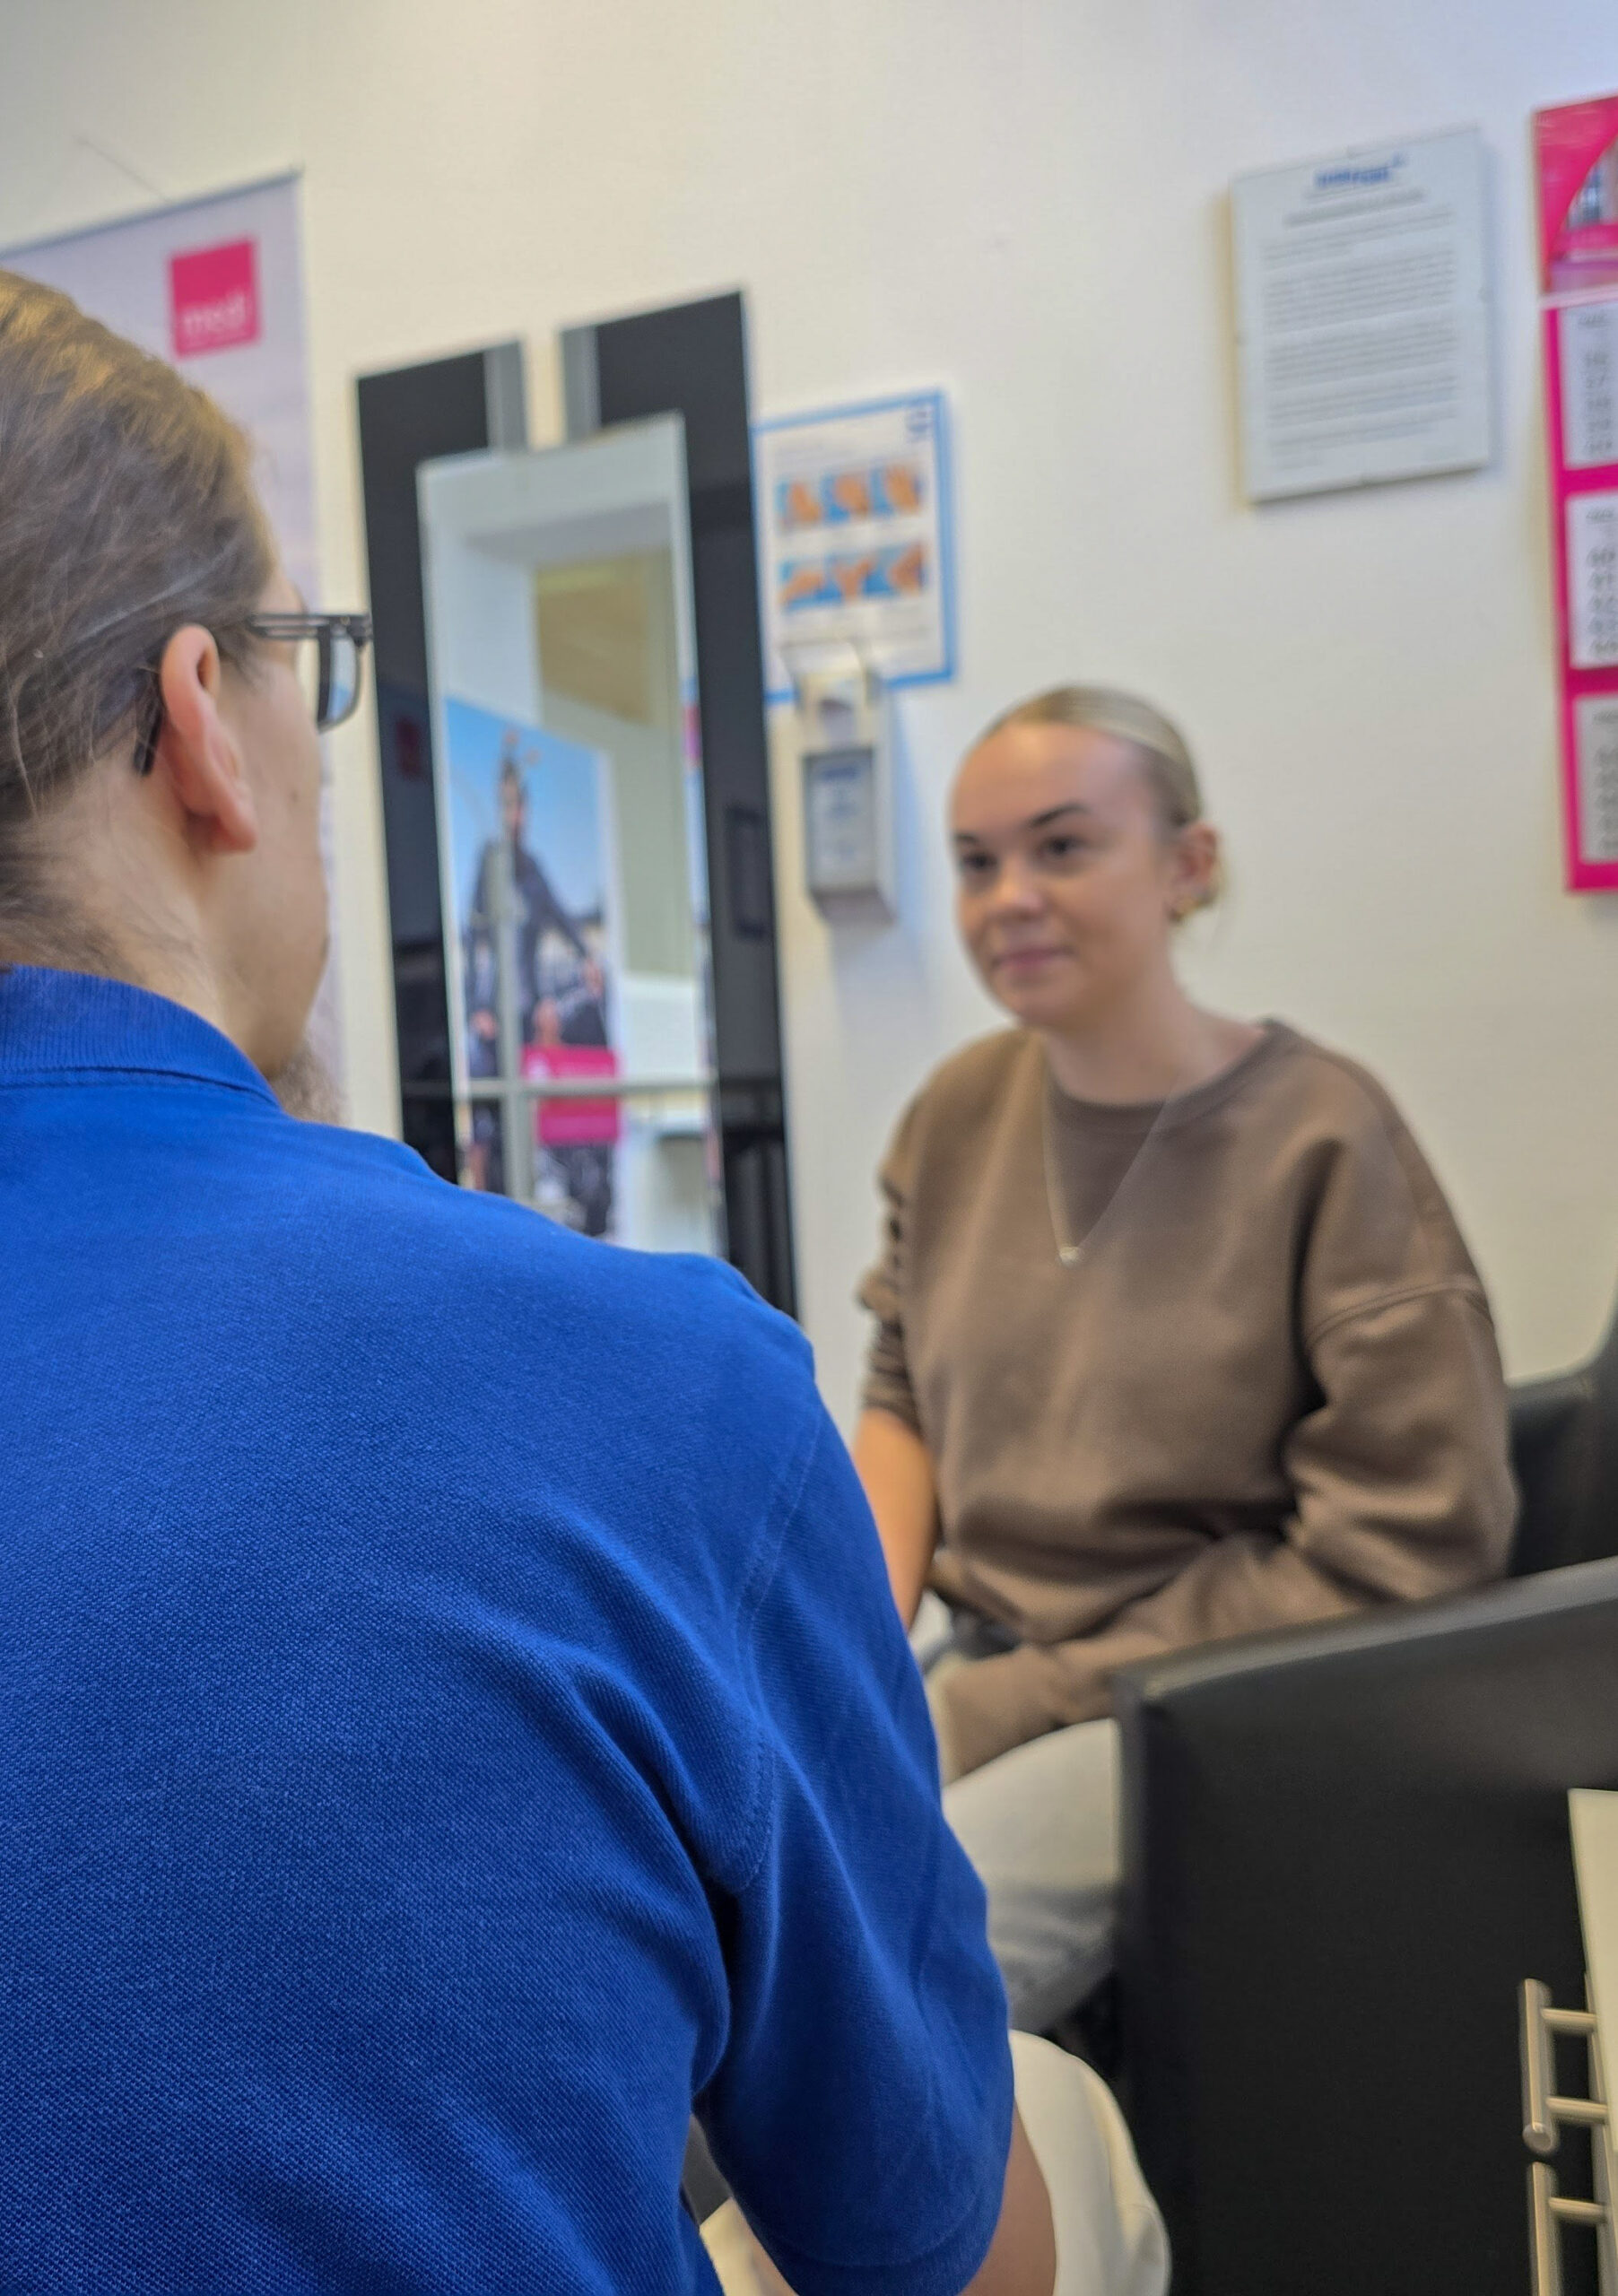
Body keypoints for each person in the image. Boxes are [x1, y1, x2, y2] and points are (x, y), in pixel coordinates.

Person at [0, 278, 1166, 2295]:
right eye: (309, 669)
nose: (1010, 902)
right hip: (953, 1701)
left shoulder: (1294, 1132)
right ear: (204, 719)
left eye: (1058, 846)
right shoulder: (666, 1364)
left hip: (1087, 1670)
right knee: (1046, 2131)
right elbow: (946, 2257)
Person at [854, 685, 1515, 2032]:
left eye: (1062, 846)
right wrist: (846, 1666)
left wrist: (1009, 1705)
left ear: (1188, 866)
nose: (1009, 898)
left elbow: (1410, 1553)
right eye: (976, 863)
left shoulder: (1322, 1136)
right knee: (698, 1911)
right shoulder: (955, 1115)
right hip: (974, 1673)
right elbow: (899, 1401)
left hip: (1183, 1714)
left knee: (879, 1990)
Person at [463, 738, 592, 1194]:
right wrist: (474, 1007)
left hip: (524, 1013)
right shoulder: (488, 863)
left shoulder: (534, 871)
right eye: (505, 805)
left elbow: (562, 917)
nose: (512, 815)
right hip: (492, 1017)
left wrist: (587, 955)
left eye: (518, 806)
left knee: (528, 1112)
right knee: (487, 1121)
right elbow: (475, 938)